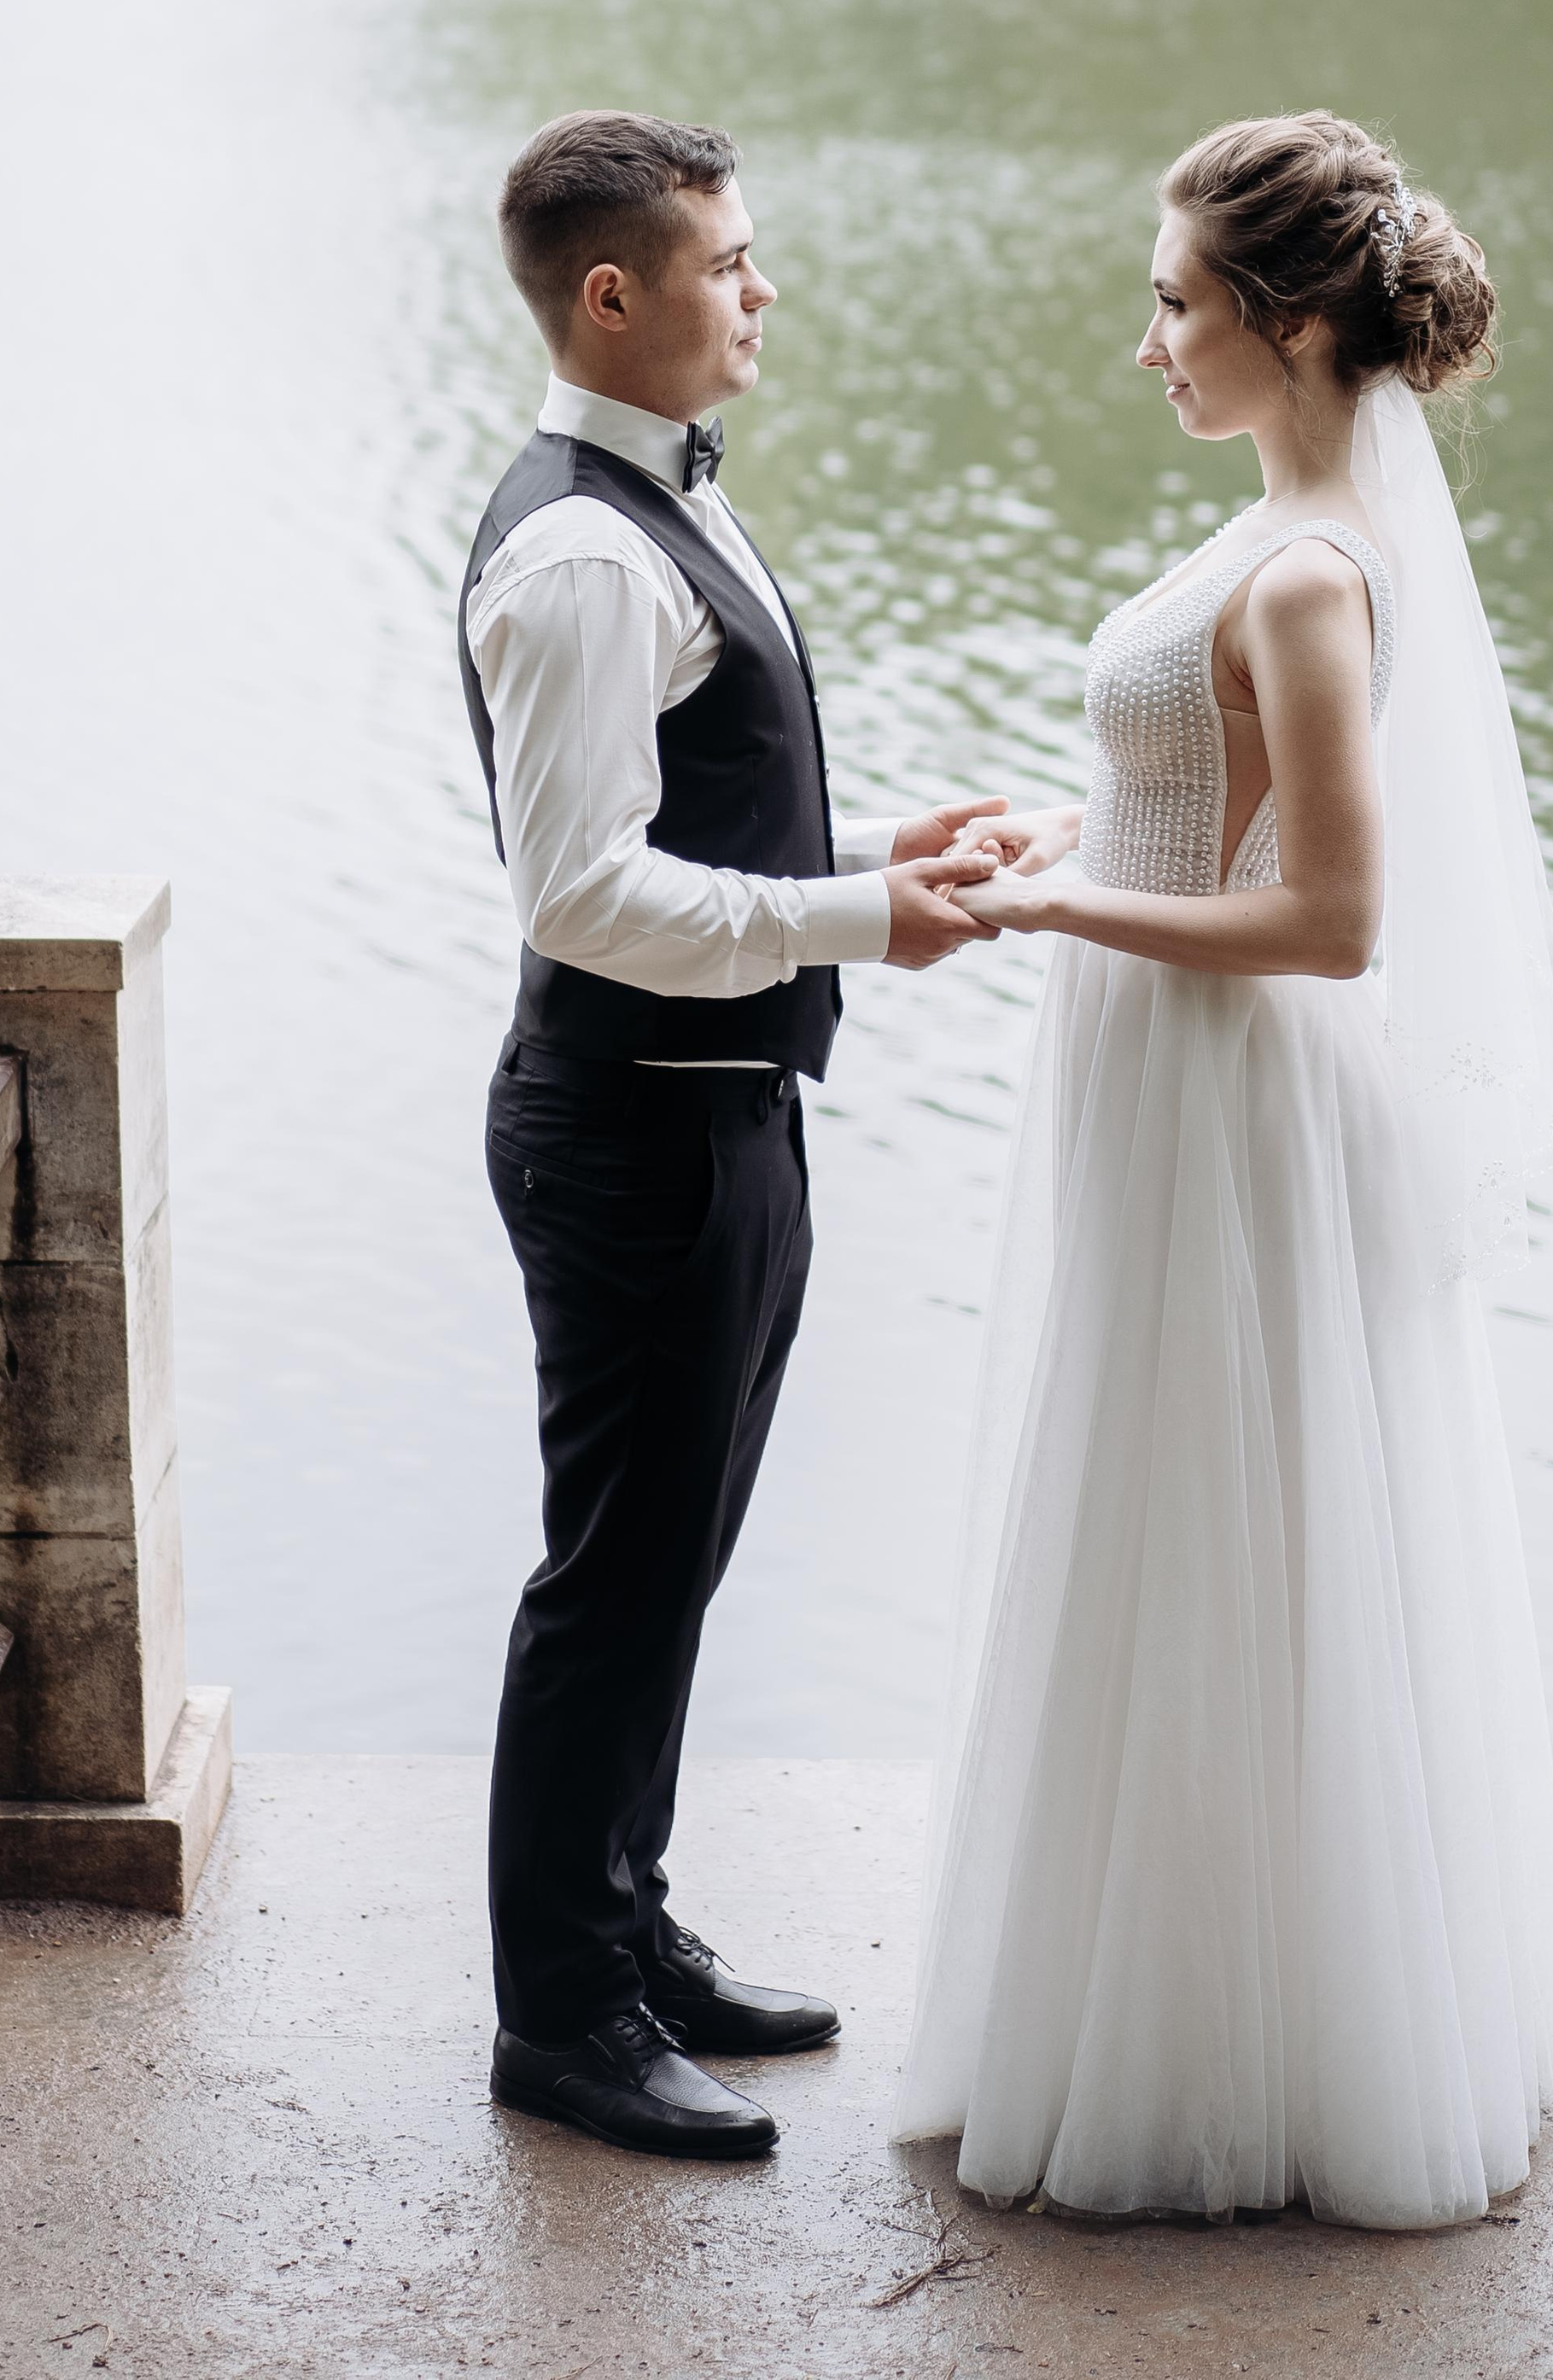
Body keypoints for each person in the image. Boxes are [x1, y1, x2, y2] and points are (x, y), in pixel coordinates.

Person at [895, 110, 1553, 2229]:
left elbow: (1329, 925)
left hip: (1227, 1084)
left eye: (1174, 301)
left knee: (1224, 1520)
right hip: (1157, 1074)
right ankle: (1142, 1982)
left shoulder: (1305, 572)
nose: (1148, 342)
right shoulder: (1260, 538)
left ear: (1287, 325)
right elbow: (1210, 815)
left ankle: (1243, 2047)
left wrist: (1053, 916)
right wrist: (1065, 839)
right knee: (1151, 1505)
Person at [459, 109, 1004, 2161]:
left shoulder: (661, 506)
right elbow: (582, 896)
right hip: (632, 1135)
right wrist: (862, 917)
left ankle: (627, 1933)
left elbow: (709, 839)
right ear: (616, 295)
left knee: (669, 1564)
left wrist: (884, 852)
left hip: (716, 1115)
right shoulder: (586, 551)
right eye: (730, 260)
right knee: (611, 1577)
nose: (760, 290)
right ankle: (562, 2024)